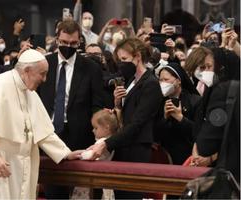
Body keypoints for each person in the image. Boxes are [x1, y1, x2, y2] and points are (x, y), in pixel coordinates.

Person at [0, 49, 83, 199]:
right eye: (42, 73)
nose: (45, 79)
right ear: (27, 71)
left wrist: (65, 153)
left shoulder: (29, 92)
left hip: (17, 167)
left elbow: (43, 132)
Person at [36, 19, 106, 199]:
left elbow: (97, 106)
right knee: (54, 192)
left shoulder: (91, 68)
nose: (68, 46)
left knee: (80, 194)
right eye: (64, 42)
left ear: (79, 41)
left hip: (80, 138)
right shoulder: (45, 63)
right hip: (48, 136)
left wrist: (98, 138)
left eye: (73, 43)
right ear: (57, 39)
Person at [88, 38, 163, 199]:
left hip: (137, 148)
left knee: (131, 194)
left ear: (137, 57)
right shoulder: (132, 81)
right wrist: (117, 105)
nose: (122, 64)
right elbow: (126, 117)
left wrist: (106, 144)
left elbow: (137, 123)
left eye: (124, 59)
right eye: (120, 60)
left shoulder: (150, 84)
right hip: (125, 145)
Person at [155, 62, 200, 165]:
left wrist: (180, 118)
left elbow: (198, 132)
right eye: (160, 80)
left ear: (178, 81)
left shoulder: (195, 101)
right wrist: (165, 118)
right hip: (164, 157)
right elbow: (154, 133)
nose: (162, 83)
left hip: (188, 156)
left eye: (166, 80)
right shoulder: (158, 101)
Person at [71, 109, 121, 199]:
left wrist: (78, 154)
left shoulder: (102, 142)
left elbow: (90, 155)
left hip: (94, 177)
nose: (93, 131)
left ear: (106, 127)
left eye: (96, 128)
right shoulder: (110, 140)